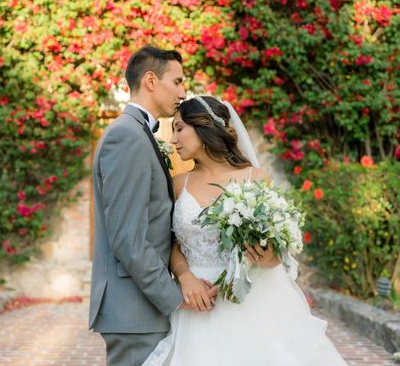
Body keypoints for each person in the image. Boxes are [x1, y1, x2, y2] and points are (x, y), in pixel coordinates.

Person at [143, 95, 348, 366]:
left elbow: (276, 252)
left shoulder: (256, 179)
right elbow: (172, 242)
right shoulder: (178, 182)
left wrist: (266, 256)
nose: (173, 139)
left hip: (253, 301)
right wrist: (184, 277)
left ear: (204, 126)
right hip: (198, 302)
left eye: (179, 128)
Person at [89, 47, 217, 366]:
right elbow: (128, 239)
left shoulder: (138, 132)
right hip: (134, 312)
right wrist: (173, 297)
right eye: (177, 81)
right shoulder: (127, 136)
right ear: (150, 80)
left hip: (140, 310)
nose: (183, 91)